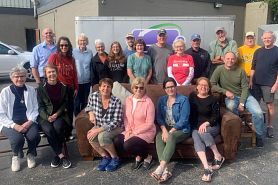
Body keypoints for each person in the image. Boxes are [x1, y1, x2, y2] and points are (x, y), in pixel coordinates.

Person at [210, 51, 265, 147]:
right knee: (231, 107)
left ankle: (259, 136)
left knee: (258, 113)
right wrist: (224, 91)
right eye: (227, 58)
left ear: (235, 60)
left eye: (232, 59)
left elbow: (245, 88)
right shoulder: (219, 70)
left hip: (246, 96)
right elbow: (212, 84)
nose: (230, 60)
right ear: (223, 59)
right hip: (231, 96)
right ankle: (236, 133)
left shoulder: (240, 70)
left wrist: (242, 103)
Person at [0, 65, 40, 172]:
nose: (19, 79)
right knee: (18, 139)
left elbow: (35, 108)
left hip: (28, 120)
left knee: (34, 136)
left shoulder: (31, 90)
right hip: (9, 122)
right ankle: (15, 156)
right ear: (11, 78)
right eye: (16, 76)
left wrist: (29, 122)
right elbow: (1, 114)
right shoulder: (5, 92)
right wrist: (14, 126)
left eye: (22, 76)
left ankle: (30, 153)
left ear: (26, 77)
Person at [151, 77, 191, 183]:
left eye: (172, 86)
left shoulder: (183, 100)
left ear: (175, 86)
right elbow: (159, 117)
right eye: (167, 87)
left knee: (171, 136)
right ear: (164, 89)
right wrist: (164, 130)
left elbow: (184, 119)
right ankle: (165, 171)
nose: (170, 89)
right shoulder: (161, 100)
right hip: (167, 127)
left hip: (182, 129)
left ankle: (161, 167)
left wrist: (170, 131)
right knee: (159, 136)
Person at [114, 77, 155, 170]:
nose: (138, 90)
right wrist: (128, 130)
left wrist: (134, 133)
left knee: (127, 144)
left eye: (141, 88)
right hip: (131, 129)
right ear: (132, 88)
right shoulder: (128, 100)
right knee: (117, 140)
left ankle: (148, 156)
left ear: (144, 89)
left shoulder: (148, 102)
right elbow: (126, 117)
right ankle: (138, 155)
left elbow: (149, 123)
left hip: (146, 131)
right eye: (136, 87)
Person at [189, 77, 224, 182]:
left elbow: (216, 116)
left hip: (211, 126)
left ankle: (218, 156)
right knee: (196, 136)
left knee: (202, 132)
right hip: (196, 127)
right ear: (197, 87)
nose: (203, 87)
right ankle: (206, 168)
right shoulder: (192, 97)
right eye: (201, 85)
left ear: (209, 88)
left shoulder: (213, 99)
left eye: (206, 85)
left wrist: (206, 123)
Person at [37, 64, 72, 169]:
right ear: (45, 74)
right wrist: (47, 117)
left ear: (57, 73)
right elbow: (40, 106)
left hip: (60, 115)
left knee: (58, 128)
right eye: (49, 72)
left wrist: (56, 114)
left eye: (53, 72)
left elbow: (65, 103)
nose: (51, 74)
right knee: (48, 130)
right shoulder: (40, 88)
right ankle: (61, 156)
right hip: (45, 117)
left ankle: (56, 155)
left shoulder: (64, 87)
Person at [85, 78, 123, 172]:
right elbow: (89, 106)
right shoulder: (93, 96)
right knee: (90, 136)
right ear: (99, 87)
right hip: (100, 124)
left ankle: (115, 158)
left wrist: (98, 130)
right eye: (103, 86)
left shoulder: (116, 101)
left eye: (108, 87)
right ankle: (105, 157)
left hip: (116, 126)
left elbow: (116, 121)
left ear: (111, 89)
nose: (105, 89)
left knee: (102, 137)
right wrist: (90, 113)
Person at [48, 36, 78, 139]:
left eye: (66, 45)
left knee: (70, 111)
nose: (64, 47)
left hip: (70, 88)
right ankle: (60, 132)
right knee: (60, 110)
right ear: (58, 46)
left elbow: (74, 74)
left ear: (69, 46)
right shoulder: (54, 57)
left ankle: (68, 132)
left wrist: (76, 87)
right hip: (58, 88)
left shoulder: (71, 59)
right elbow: (49, 72)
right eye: (62, 45)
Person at [250, 31, 278, 138]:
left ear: (273, 39)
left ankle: (270, 127)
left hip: (269, 84)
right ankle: (256, 125)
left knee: (269, 105)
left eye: (269, 38)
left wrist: (276, 85)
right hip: (256, 82)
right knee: (255, 105)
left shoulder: (277, 51)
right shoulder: (258, 51)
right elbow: (253, 67)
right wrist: (251, 80)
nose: (267, 40)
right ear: (262, 39)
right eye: (265, 38)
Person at [73, 33, 93, 116]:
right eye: (81, 40)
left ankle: (83, 119)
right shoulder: (74, 51)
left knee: (85, 102)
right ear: (78, 42)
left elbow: (91, 66)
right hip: (77, 82)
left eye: (84, 40)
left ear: (87, 41)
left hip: (87, 82)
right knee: (77, 102)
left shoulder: (90, 52)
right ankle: (77, 118)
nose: (82, 42)